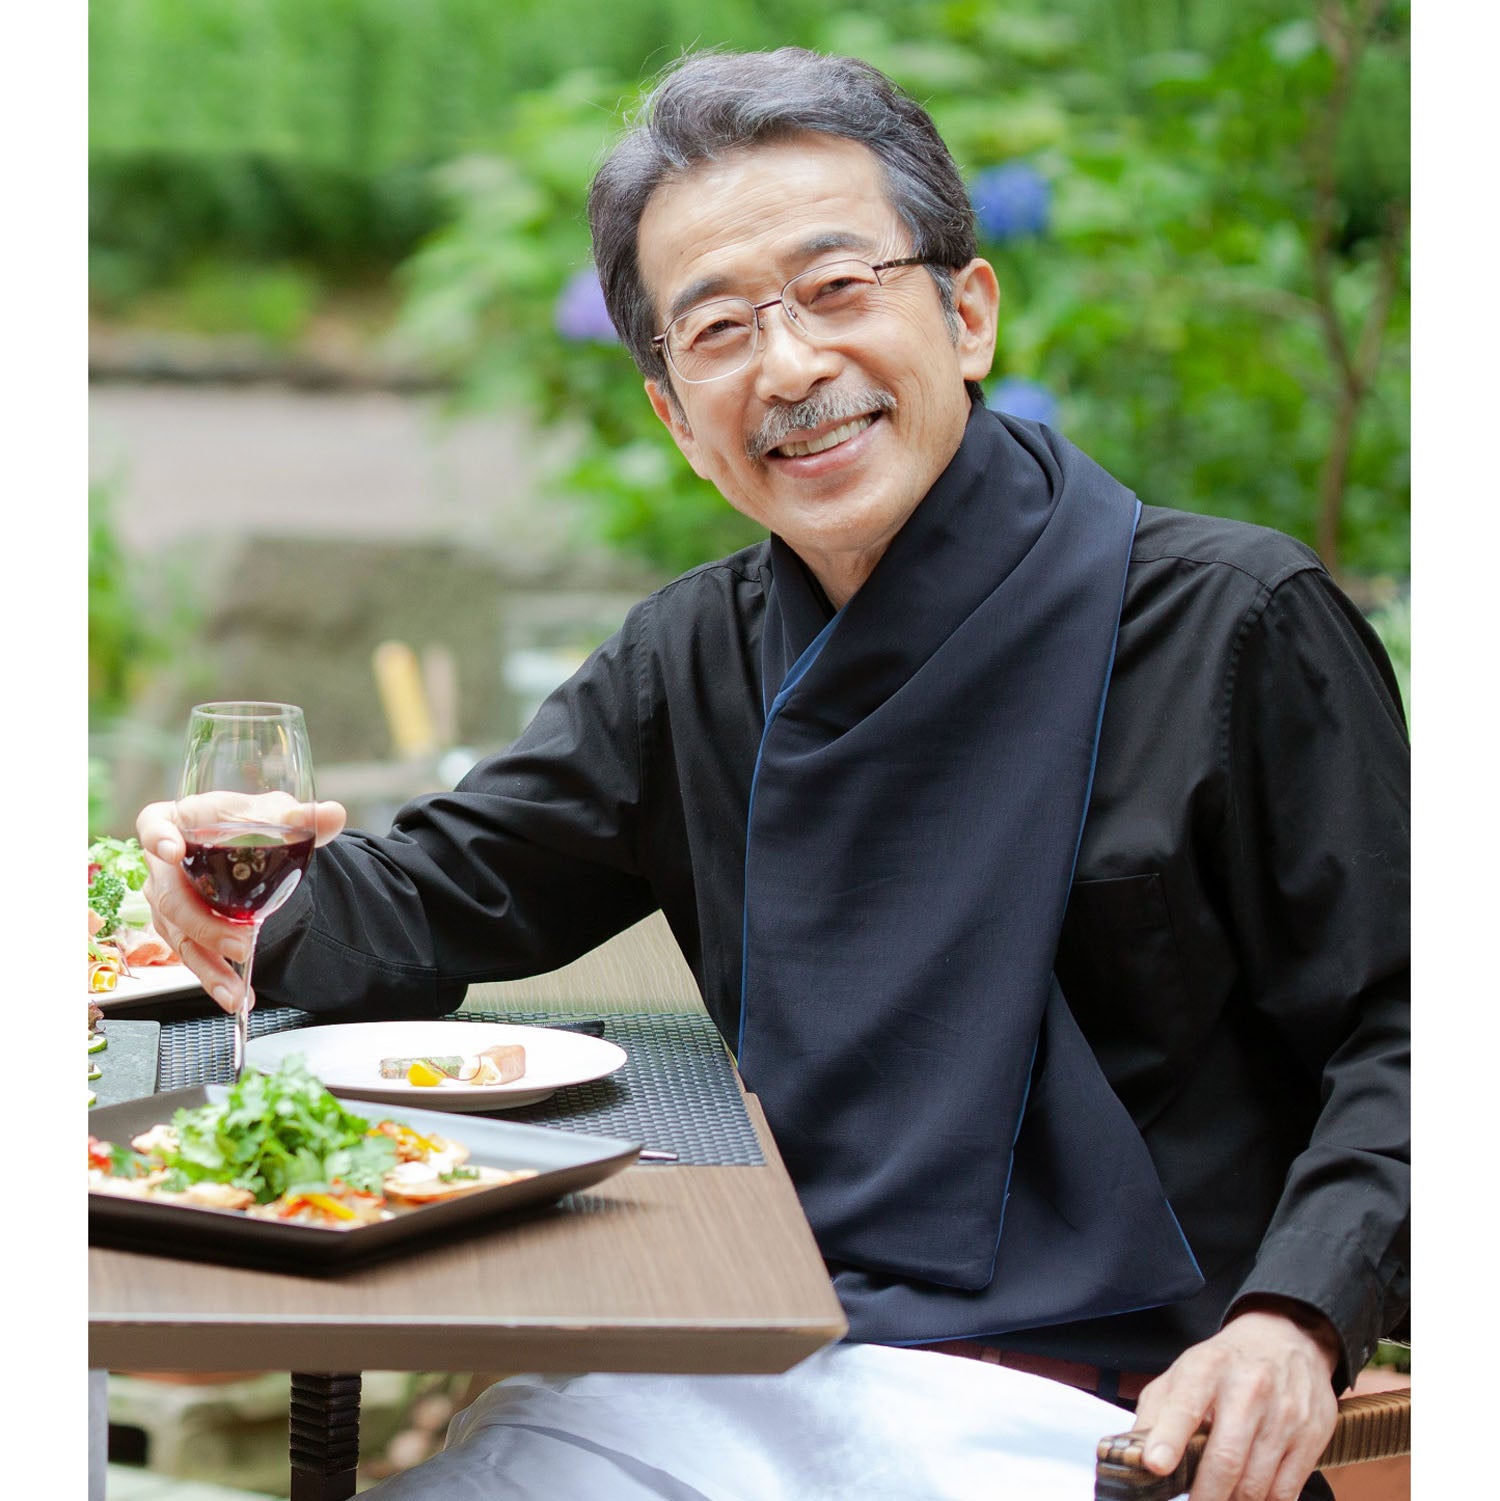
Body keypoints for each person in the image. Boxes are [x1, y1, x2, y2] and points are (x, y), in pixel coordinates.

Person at [138, 48, 1408, 1501]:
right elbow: (441, 892)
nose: (792, 365)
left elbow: (1420, 1025)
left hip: (1101, 1410)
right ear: (678, 417)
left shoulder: (1235, 624)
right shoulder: (693, 656)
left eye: (838, 287)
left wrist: (1296, 1317)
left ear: (968, 312)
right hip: (735, 1366)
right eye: (722, 328)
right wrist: (244, 886)